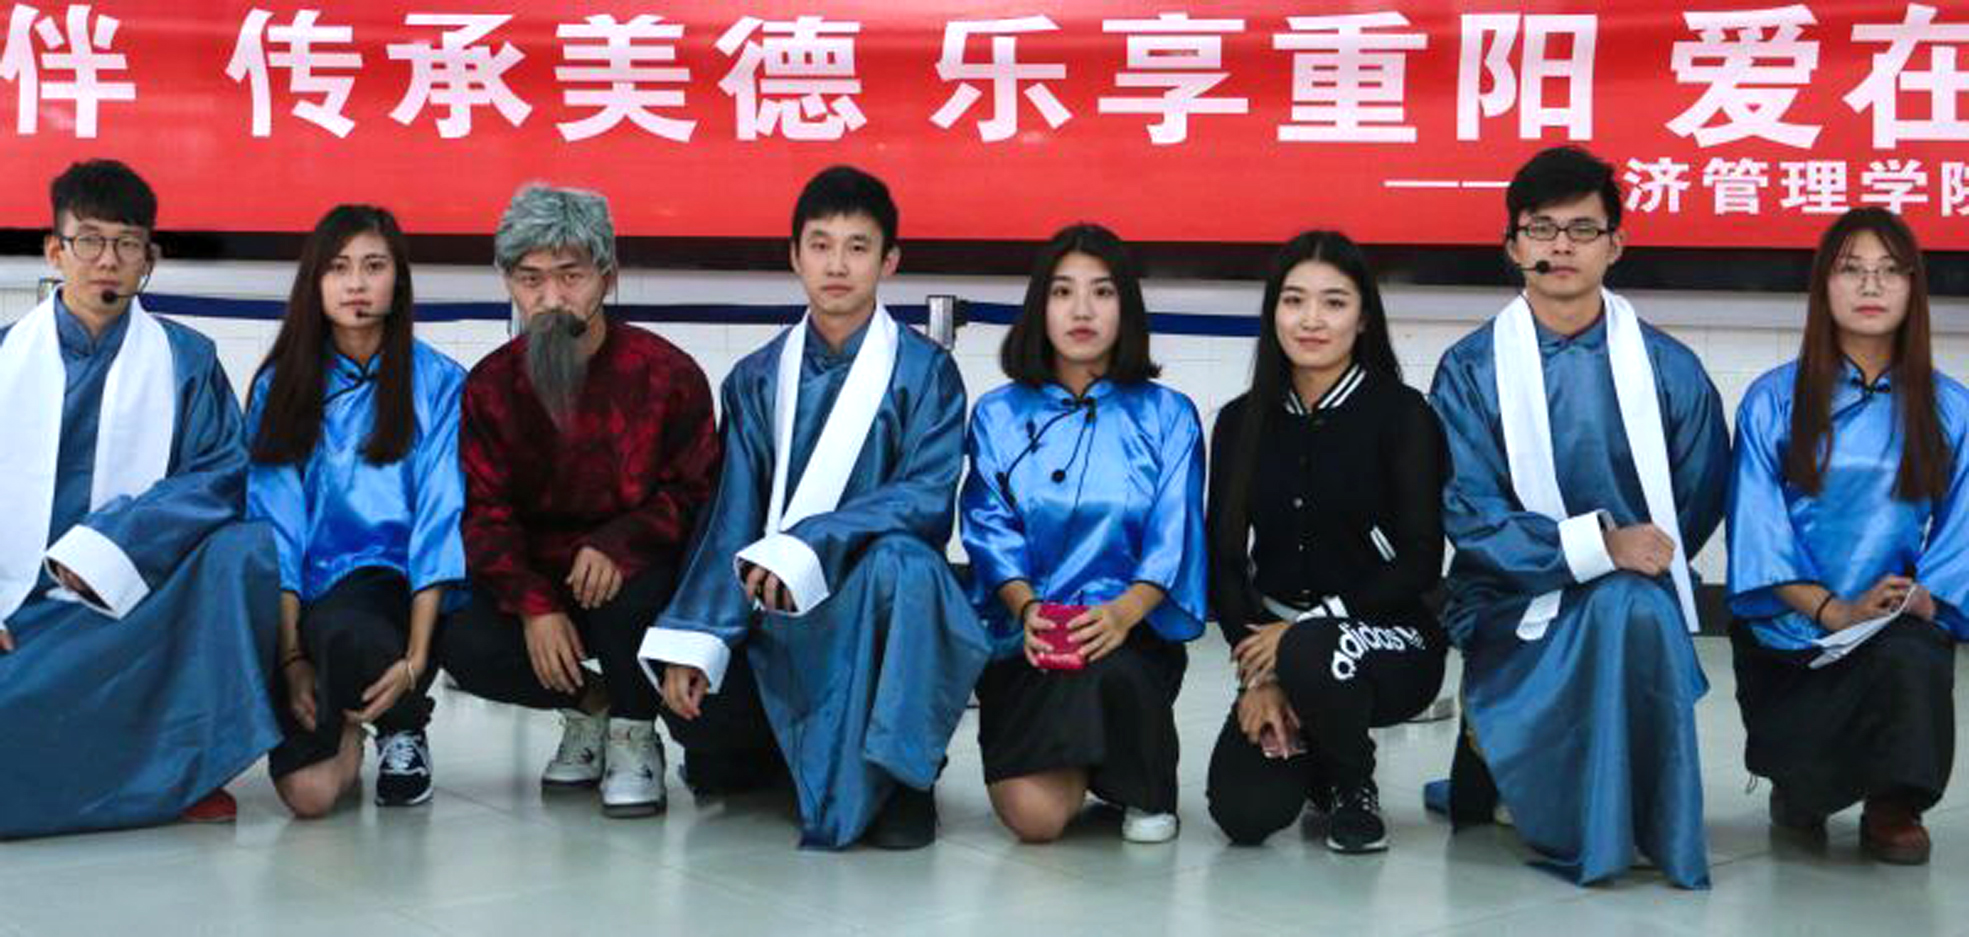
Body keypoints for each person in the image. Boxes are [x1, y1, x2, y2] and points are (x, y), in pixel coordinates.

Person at [642, 166, 991, 850]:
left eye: (858, 247)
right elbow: (732, 514)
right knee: (697, 718)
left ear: (888, 261)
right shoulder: (755, 377)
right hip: (776, 611)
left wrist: (811, 541)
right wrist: (699, 637)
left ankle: (904, 775)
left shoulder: (925, 372)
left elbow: (925, 499)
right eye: (821, 245)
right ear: (795, 256)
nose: (837, 265)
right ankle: (797, 754)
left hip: (879, 607)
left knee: (908, 563)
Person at [1425, 146, 1730, 888]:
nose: (1561, 246)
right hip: (1507, 587)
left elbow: (1696, 496)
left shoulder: (1669, 367)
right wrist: (1596, 549)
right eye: (1541, 228)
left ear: (1615, 244)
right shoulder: (1469, 369)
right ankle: (1594, 810)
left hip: (1635, 586)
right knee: (1620, 602)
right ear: (1512, 245)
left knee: (1630, 603)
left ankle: (1616, 809)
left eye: (1582, 229)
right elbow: (1470, 512)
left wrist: (1630, 557)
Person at [0, 160, 280, 837]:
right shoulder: (6, 360)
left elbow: (221, 473)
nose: (108, 260)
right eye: (90, 240)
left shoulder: (186, 360)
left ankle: (189, 768)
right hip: (19, 606)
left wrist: (111, 545)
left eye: (127, 244)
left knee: (246, 547)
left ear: (149, 258)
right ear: (55, 250)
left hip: (138, 602)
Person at [442, 185, 720, 819]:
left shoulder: (667, 375)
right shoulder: (491, 386)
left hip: (635, 574)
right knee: (463, 640)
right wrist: (534, 606)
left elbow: (696, 490)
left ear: (607, 278)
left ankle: (634, 734)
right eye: (531, 279)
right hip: (540, 579)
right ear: (509, 283)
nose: (551, 298)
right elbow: (484, 514)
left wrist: (618, 544)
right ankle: (591, 709)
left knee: (632, 599)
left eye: (571, 276)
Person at [1726, 207, 1967, 866]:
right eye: (1851, 269)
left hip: (1889, 628)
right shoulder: (1772, 400)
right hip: (1792, 635)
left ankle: (1894, 803)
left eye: (1890, 271)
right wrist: (1834, 611)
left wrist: (1922, 598)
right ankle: (1797, 783)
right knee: (1802, 796)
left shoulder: (1950, 407)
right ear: (1822, 286)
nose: (1870, 286)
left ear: (1913, 288)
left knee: (1914, 650)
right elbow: (1758, 533)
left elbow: (1961, 534)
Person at [960, 223, 1207, 845]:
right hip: (1028, 636)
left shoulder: (1168, 414)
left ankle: (1140, 783)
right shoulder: (997, 414)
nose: (1082, 310)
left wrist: (1123, 613)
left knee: (1113, 670)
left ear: (1126, 307)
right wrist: (1029, 609)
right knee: (1036, 820)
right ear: (1039, 307)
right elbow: (988, 525)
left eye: (1102, 292)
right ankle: (1087, 765)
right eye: (1063, 291)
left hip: (1130, 633)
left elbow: (1174, 535)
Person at [1203, 231, 1449, 853]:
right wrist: (1259, 674)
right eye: (1294, 301)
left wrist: (1306, 633)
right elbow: (1224, 562)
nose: (1311, 319)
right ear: (1274, 313)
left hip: (1390, 637)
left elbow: (1422, 561)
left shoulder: (1403, 415)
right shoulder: (1240, 420)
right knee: (1245, 814)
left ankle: (1352, 785)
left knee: (1313, 646)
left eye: (1334, 303)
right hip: (1276, 643)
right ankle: (1313, 745)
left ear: (1363, 318)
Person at [247, 204, 467, 816]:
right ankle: (351, 720)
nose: (356, 284)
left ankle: (402, 723)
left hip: (398, 592)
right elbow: (277, 532)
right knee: (309, 795)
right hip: (306, 603)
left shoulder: (439, 382)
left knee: (352, 628)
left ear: (399, 281)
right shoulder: (280, 388)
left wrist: (416, 661)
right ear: (314, 282)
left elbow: (439, 519)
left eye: (374, 267)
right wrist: (291, 658)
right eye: (338, 268)